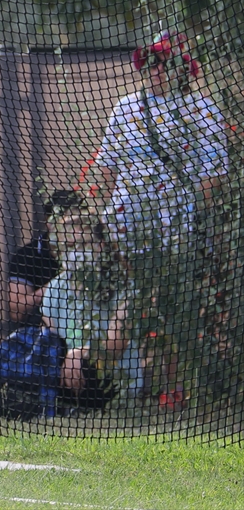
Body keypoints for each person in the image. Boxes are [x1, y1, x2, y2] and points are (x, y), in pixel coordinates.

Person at [93, 31, 227, 404]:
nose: (157, 69)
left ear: (183, 67)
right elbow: (106, 168)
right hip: (125, 228)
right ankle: (103, 388)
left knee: (172, 309)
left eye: (165, 61)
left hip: (173, 234)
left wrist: (183, 217)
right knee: (131, 306)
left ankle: (172, 390)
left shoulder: (202, 110)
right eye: (153, 61)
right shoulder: (126, 107)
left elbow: (213, 177)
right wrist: (100, 218)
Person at [38, 208, 126, 409]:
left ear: (100, 246)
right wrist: (61, 361)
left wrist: (77, 354)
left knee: (88, 370)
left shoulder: (119, 284)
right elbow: (48, 337)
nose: (75, 252)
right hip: (65, 373)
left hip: (107, 377)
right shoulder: (56, 286)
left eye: (83, 244)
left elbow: (115, 346)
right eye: (69, 246)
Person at [7, 190, 84, 330]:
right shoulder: (26, 256)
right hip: (41, 336)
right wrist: (57, 285)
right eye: (70, 224)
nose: (77, 230)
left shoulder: (89, 253)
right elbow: (16, 311)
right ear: (50, 223)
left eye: (80, 223)